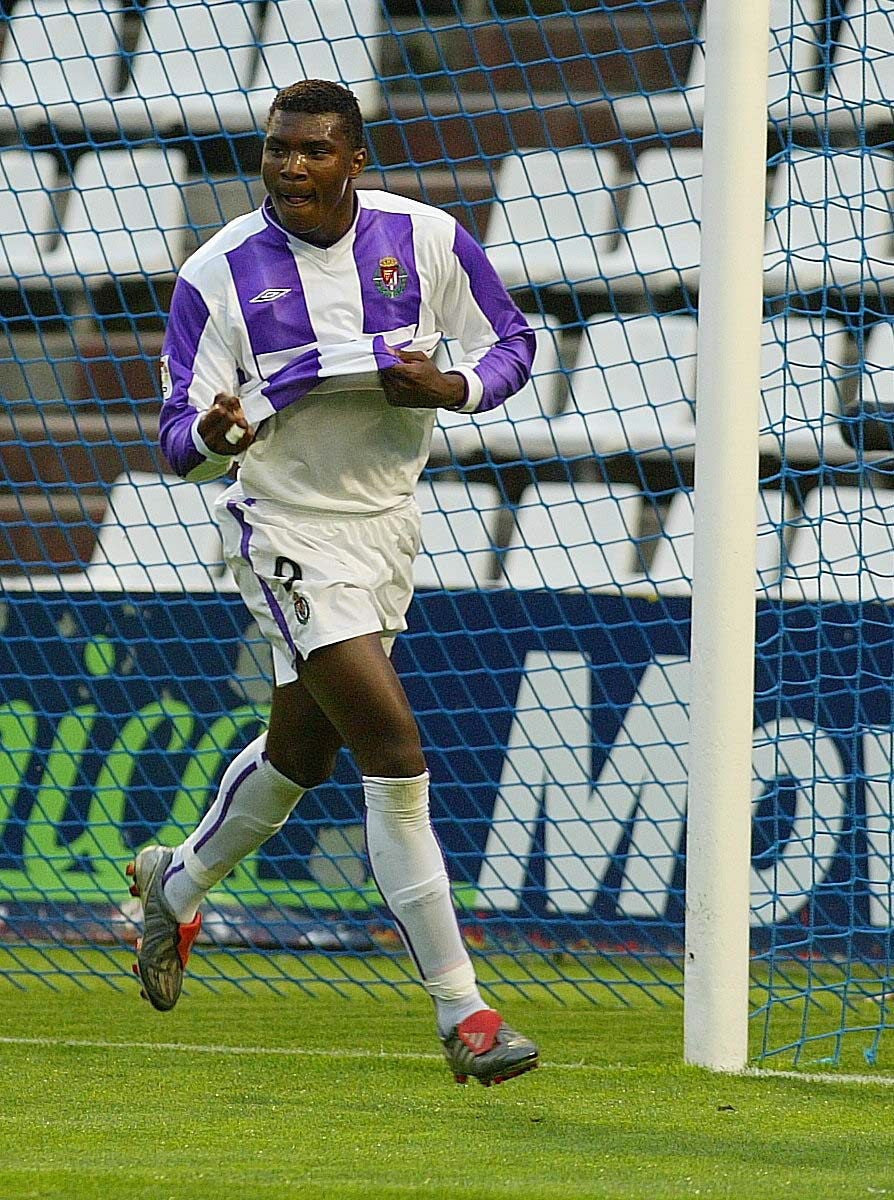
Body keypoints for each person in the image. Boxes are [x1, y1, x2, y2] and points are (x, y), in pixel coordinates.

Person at [128, 78, 539, 1088]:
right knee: (392, 749)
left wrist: (451, 387)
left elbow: (513, 346)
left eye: (314, 150)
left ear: (355, 159)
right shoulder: (216, 272)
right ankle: (465, 1012)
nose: (291, 167)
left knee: (300, 753)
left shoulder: (428, 240)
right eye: (277, 150)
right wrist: (219, 438)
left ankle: (174, 886)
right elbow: (179, 434)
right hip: (283, 528)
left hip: (387, 526)